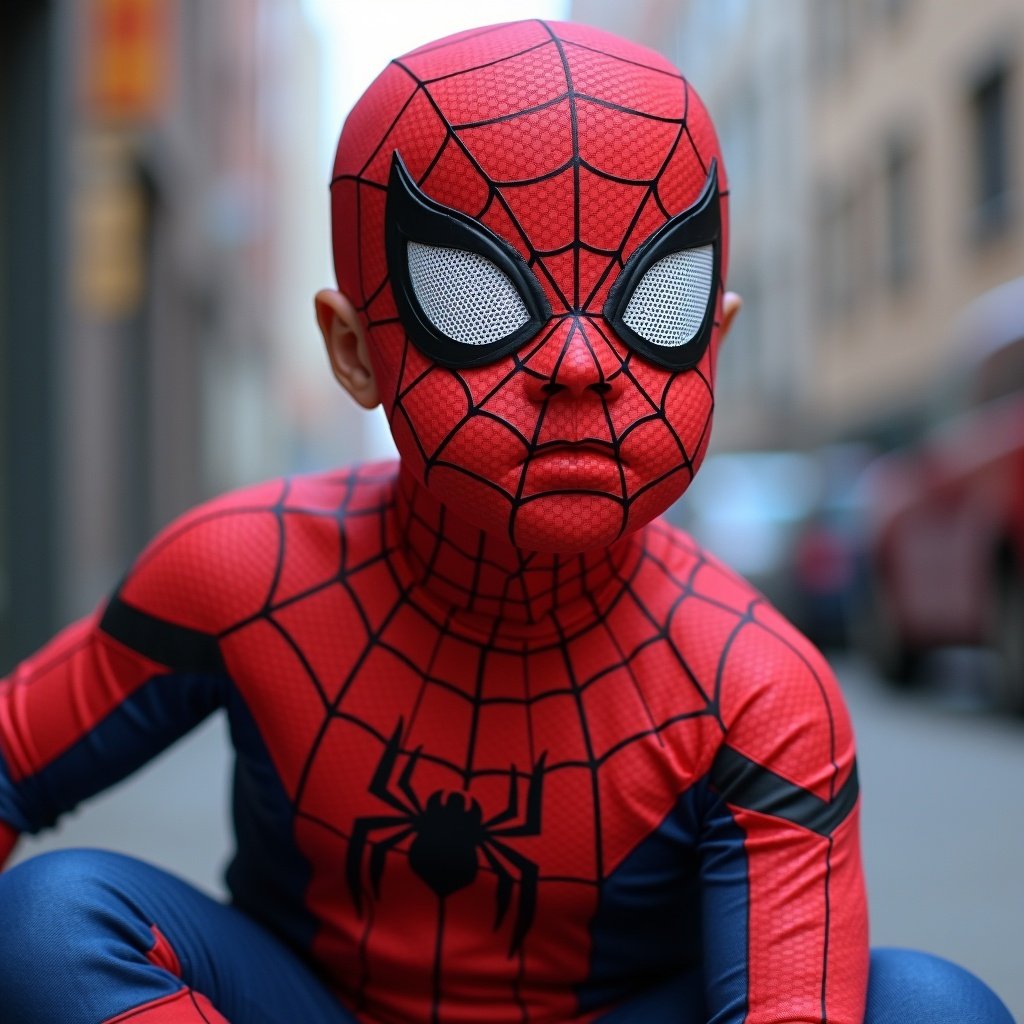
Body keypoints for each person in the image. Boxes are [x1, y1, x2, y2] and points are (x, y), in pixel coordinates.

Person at [0, 20, 1014, 1024]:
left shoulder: (757, 690)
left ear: (716, 340)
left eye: (653, 306)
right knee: (53, 919)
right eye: (473, 296)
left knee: (930, 1006)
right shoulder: (244, 573)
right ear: (354, 350)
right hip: (309, 1004)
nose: (579, 367)